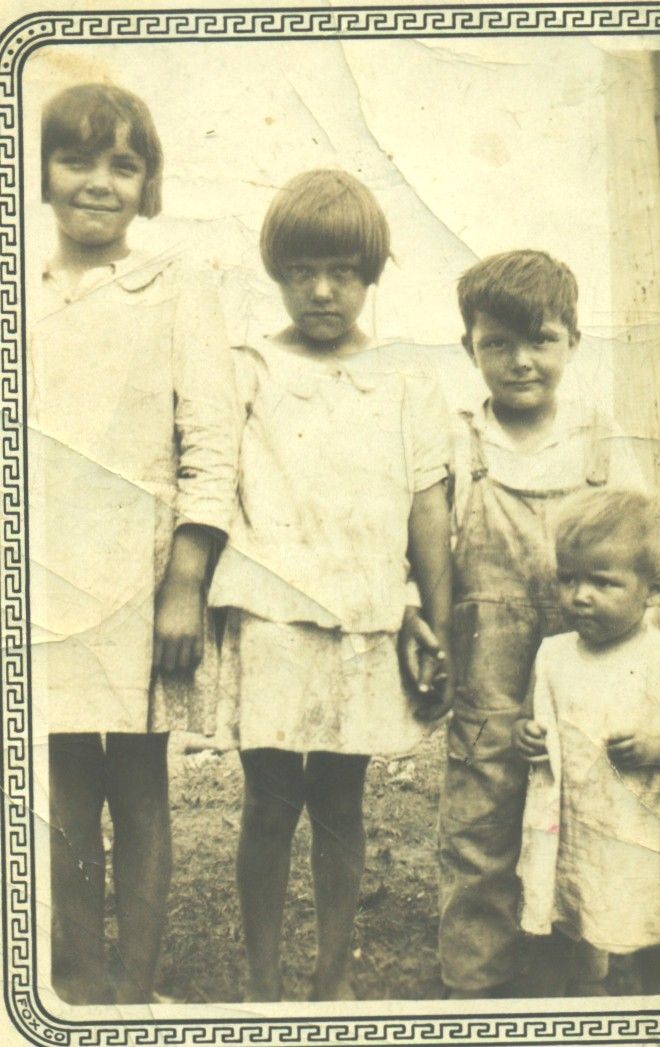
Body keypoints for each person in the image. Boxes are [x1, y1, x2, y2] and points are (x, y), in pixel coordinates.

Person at [208, 169, 452, 1002]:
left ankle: (333, 974)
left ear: (370, 273)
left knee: (341, 801)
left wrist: (433, 620)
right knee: (270, 800)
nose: (322, 290)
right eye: (302, 270)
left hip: (363, 619)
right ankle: (263, 980)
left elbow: (426, 507)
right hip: (271, 615)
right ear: (276, 271)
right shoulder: (247, 370)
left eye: (342, 271)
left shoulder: (405, 379)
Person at [29, 83, 238, 1004]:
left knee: (140, 783)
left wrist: (185, 579)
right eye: (76, 159)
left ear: (147, 182)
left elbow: (211, 443)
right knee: (65, 784)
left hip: (143, 578)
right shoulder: (25, 294)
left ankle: (138, 987)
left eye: (123, 164)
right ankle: (78, 984)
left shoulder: (178, 287)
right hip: (46, 578)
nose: (98, 182)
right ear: (41, 173)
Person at [405, 250, 644, 999]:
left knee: (584, 811)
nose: (520, 361)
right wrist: (423, 621)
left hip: (586, 671)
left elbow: (640, 553)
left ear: (572, 340)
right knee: (480, 818)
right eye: (497, 343)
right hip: (488, 670)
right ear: (469, 347)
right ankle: (475, 977)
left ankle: (577, 968)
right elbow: (423, 546)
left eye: (540, 340)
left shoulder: (600, 441)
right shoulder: (459, 440)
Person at [514, 486, 660, 995]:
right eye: (568, 579)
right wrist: (525, 735)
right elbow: (533, 718)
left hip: (642, 836)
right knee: (567, 913)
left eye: (602, 582)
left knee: (658, 937)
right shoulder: (553, 655)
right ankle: (574, 1001)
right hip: (573, 829)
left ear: (654, 590)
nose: (579, 596)